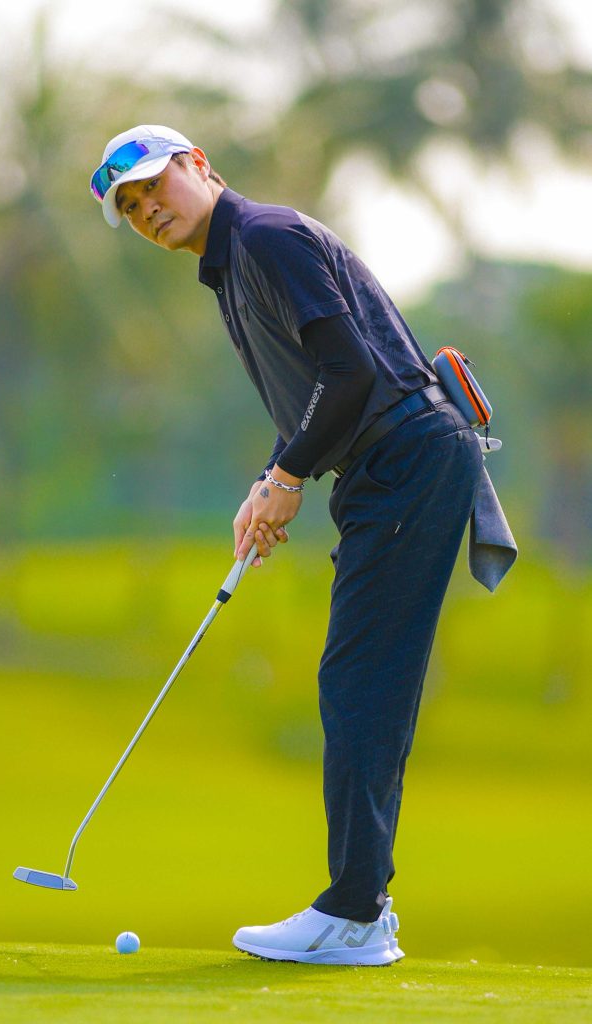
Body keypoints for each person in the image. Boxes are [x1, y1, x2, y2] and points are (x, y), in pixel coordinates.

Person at [90, 124, 517, 966]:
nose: (147, 211)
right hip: (387, 469)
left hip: (405, 460)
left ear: (199, 166)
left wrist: (287, 477)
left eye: (154, 187)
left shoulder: (265, 238)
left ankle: (355, 914)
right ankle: (360, 908)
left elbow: (350, 372)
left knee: (361, 683)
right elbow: (316, 392)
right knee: (360, 681)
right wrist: (269, 481)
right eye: (130, 208)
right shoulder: (235, 263)